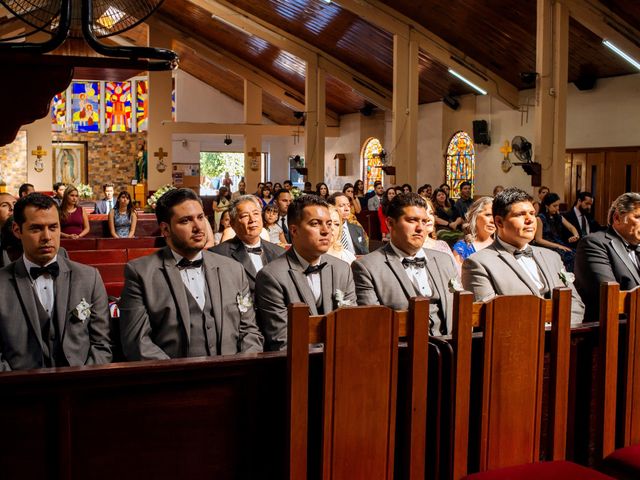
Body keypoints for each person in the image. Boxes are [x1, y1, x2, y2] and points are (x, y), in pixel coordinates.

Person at [119, 188, 263, 360]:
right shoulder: (141, 273)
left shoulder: (233, 269)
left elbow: (249, 330)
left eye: (201, 217)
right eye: (186, 221)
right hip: (174, 381)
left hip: (234, 378)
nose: (198, 227)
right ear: (165, 229)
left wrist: (241, 369)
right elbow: (137, 342)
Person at [0, 194, 111, 370]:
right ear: (17, 230)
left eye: (53, 227)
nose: (47, 236)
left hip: (80, 387)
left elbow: (101, 345)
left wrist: (82, 383)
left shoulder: (90, 278)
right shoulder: (2, 283)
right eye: (36, 229)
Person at [461, 187, 584, 325]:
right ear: (499, 222)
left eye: (532, 213)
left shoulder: (552, 257)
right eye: (520, 214)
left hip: (561, 339)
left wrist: (561, 333)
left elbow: (575, 303)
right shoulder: (478, 263)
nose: (530, 220)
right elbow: (490, 316)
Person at [255, 195, 357, 351]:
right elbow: (281, 339)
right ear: (294, 230)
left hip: (341, 361)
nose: (326, 231)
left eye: (329, 224)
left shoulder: (342, 269)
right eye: (315, 224)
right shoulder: (271, 276)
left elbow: (351, 326)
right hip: (294, 364)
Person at [352, 193, 459, 336]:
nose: (420, 228)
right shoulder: (367, 267)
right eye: (412, 220)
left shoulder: (444, 260)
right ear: (390, 223)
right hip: (401, 352)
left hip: (451, 348)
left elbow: (460, 310)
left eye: (424, 221)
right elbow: (374, 327)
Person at [574, 192, 640, 322]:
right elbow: (607, 297)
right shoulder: (594, 243)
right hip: (614, 328)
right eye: (638, 217)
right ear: (617, 218)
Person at [211, 195, 285, 296]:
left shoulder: (279, 253)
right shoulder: (217, 255)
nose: (252, 219)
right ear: (232, 224)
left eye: (256, 214)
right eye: (245, 216)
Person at [535, 192, 579, 271]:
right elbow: (538, 240)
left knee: (578, 254)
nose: (557, 208)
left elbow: (571, 227)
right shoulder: (540, 218)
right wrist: (558, 246)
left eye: (558, 205)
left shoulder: (558, 217)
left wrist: (575, 235)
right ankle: (567, 279)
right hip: (547, 245)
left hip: (559, 244)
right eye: (554, 206)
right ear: (547, 206)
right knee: (570, 256)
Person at [452, 197, 495, 265]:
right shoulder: (463, 248)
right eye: (488, 215)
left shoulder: (502, 247)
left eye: (496, 216)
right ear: (475, 216)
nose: (493, 221)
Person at [421, 197, 457, 264]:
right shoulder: (409, 249)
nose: (429, 218)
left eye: (431, 213)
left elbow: (455, 271)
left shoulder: (442, 246)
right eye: (424, 213)